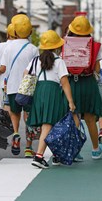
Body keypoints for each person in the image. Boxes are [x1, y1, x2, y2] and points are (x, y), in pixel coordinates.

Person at [27, 30, 76, 168]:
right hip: (53, 92)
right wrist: (71, 101)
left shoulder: (36, 60)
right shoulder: (59, 61)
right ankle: (39, 156)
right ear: (56, 46)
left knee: (52, 123)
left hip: (39, 91)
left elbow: (26, 73)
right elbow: (65, 82)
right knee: (49, 124)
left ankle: (56, 155)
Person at [0, 14, 39, 158]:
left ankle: (15, 133)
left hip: (12, 86)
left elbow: (2, 67)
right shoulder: (33, 49)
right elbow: (36, 68)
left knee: (14, 113)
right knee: (28, 116)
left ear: (13, 31)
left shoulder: (8, 48)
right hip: (28, 88)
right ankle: (28, 147)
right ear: (30, 31)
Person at [65, 16, 102, 161]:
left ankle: (75, 152)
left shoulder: (65, 43)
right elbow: (98, 69)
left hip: (71, 83)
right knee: (89, 118)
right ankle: (95, 149)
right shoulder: (94, 45)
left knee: (75, 116)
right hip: (88, 82)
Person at [0, 23, 16, 108]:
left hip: (0, 83)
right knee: (13, 113)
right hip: (14, 85)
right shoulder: (19, 47)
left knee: (0, 112)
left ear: (8, 34)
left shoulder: (0, 46)